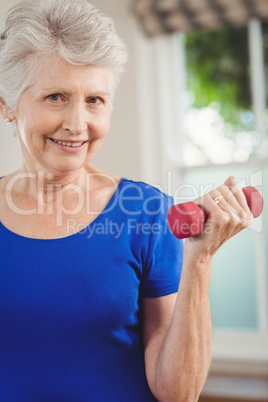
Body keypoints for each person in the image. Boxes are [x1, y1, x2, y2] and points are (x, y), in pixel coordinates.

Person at [0, 0, 253, 401]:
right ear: (7, 105)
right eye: (55, 97)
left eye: (94, 100)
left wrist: (199, 259)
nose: (77, 124)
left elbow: (179, 393)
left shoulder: (148, 213)